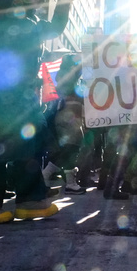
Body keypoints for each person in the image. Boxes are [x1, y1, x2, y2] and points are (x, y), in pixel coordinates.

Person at [0, 0, 76, 223]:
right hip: (9, 97)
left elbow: (54, 27)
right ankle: (3, 204)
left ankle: (16, 202)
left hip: (12, 96)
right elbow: (51, 27)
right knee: (9, 147)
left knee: (18, 147)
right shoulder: (14, 19)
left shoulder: (22, 20)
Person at [42, 54, 89, 195]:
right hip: (68, 117)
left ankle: (46, 177)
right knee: (71, 149)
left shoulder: (64, 76)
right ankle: (69, 183)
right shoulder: (68, 76)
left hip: (68, 116)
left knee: (67, 150)